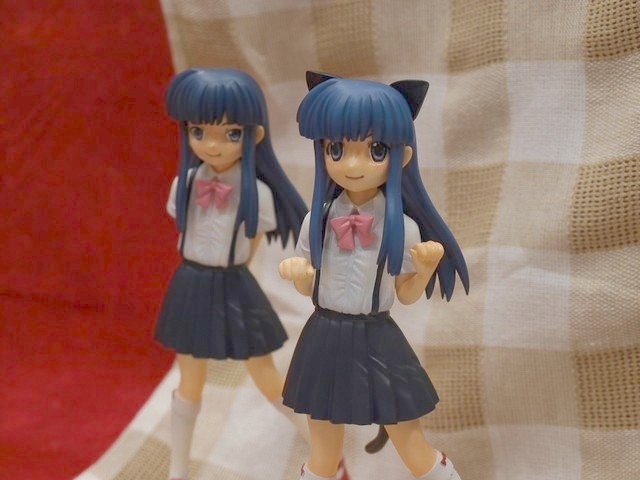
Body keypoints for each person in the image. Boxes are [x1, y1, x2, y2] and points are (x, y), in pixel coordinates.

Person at [280, 72, 469, 480]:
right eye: (336, 148)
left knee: (412, 444)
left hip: (378, 336)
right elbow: (311, 283)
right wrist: (299, 275)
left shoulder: (403, 228)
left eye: (375, 149)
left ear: (402, 156)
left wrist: (423, 270)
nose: (352, 164)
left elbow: (405, 294)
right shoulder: (317, 221)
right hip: (324, 334)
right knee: (323, 451)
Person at [155, 68, 308, 480]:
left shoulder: (257, 194)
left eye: (231, 133)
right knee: (188, 382)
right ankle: (178, 469)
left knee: (266, 377)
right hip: (190, 283)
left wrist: (231, 269)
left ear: (254, 135)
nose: (212, 144)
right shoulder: (185, 184)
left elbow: (251, 245)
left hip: (234, 285)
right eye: (199, 131)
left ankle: (321, 447)